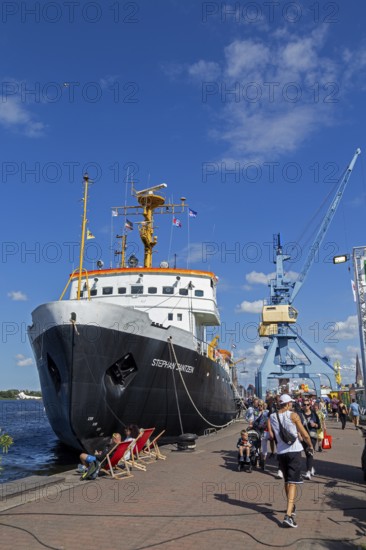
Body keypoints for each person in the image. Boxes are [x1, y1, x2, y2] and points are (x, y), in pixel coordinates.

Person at [268, 394, 313, 529]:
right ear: (287, 404)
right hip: (294, 451)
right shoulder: (293, 415)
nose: (292, 405)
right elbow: (304, 434)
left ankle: (291, 507)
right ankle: (289, 516)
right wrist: (310, 446)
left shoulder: (272, 416)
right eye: (291, 403)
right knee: (293, 483)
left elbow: (272, 435)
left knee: (287, 481)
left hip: (281, 452)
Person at [299, 400, 320, 479]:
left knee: (309, 453)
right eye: (304, 404)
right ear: (302, 406)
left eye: (308, 404)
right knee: (307, 453)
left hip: (312, 436)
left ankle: (308, 472)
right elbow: (297, 425)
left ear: (310, 406)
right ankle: (311, 468)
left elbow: (319, 426)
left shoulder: (314, 414)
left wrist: (315, 424)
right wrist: (299, 434)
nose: (306, 406)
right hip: (304, 436)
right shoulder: (300, 415)